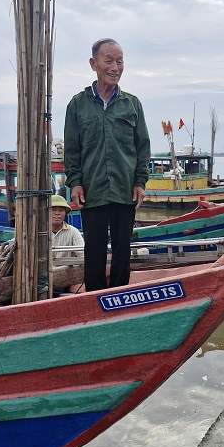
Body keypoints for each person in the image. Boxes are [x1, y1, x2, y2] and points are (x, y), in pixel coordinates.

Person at [63, 38, 151, 291]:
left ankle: (121, 298)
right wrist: (76, 183)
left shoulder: (132, 104)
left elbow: (142, 147)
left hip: (125, 189)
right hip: (93, 190)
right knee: (94, 249)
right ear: (94, 64)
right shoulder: (77, 104)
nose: (115, 67)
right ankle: (94, 299)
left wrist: (140, 182)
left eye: (120, 61)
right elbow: (73, 150)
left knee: (123, 249)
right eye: (109, 61)